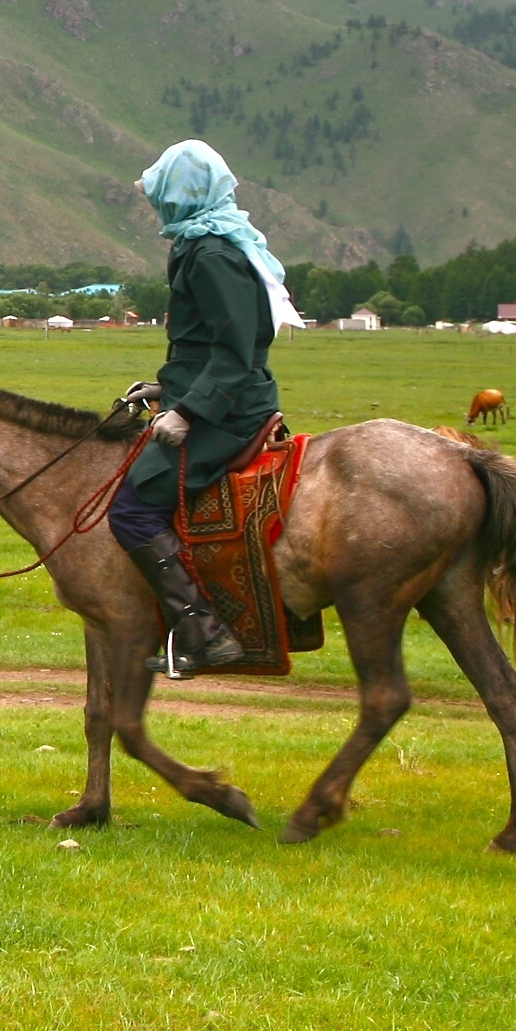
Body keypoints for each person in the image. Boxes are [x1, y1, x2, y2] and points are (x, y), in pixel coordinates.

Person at [110, 140, 304, 676]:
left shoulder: (213, 253)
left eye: (161, 194)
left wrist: (187, 412)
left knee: (131, 509)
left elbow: (235, 352)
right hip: (212, 397)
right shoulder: (204, 243)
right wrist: (164, 390)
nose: (156, 205)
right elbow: (202, 347)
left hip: (228, 410)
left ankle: (204, 634)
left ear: (182, 193)